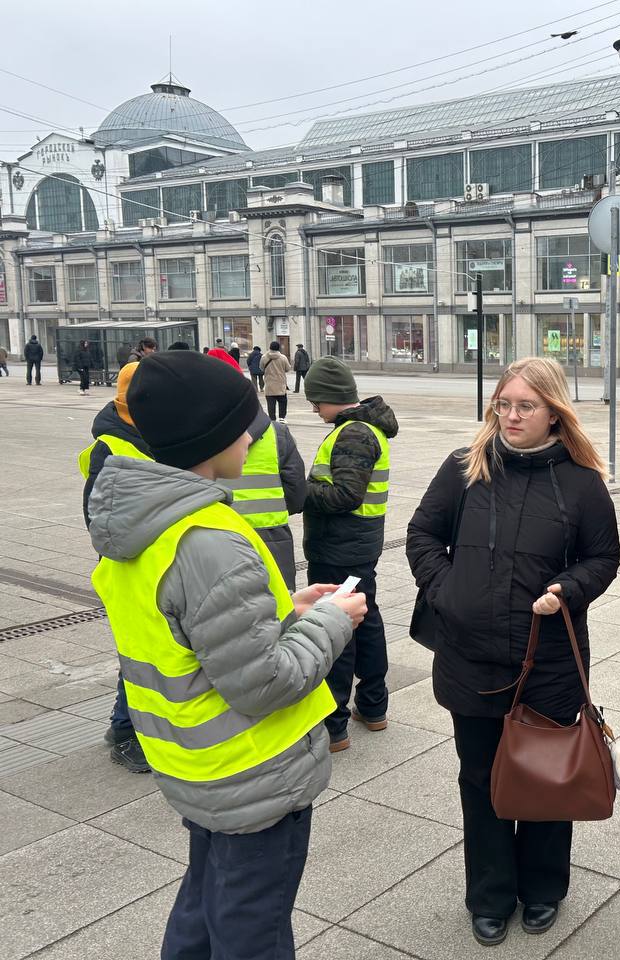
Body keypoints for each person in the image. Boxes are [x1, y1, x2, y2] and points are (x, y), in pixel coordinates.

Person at [86, 351, 367, 958]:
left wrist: (285, 605)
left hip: (194, 763)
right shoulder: (209, 540)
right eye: (242, 424)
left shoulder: (146, 525)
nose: (252, 434)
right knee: (251, 928)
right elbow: (265, 682)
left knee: (203, 904)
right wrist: (330, 622)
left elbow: (189, 629)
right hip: (252, 773)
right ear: (210, 438)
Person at [407, 357, 620, 947]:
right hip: (470, 657)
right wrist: (449, 592)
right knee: (481, 780)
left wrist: (568, 590)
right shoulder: (465, 468)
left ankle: (544, 888)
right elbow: (422, 535)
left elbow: (604, 558)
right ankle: (491, 895)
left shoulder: (581, 480)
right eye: (503, 403)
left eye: (525, 405)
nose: (511, 415)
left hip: (548, 659)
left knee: (548, 778)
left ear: (555, 412)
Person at [303, 357, 399, 753]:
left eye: (316, 401)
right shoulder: (362, 429)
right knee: (367, 620)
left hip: (340, 546)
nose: (313, 409)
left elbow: (345, 495)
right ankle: (373, 708)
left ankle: (334, 725)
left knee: (337, 628)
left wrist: (300, 491)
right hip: (358, 543)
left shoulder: (354, 434)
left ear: (331, 398)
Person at [79, 361, 153, 774]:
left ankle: (131, 725)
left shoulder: (150, 432)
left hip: (155, 559)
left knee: (152, 647)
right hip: (127, 562)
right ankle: (124, 731)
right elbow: (98, 518)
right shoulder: (113, 445)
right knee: (138, 650)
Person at [206, 349, 306, 589]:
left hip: (215, 540)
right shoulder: (277, 434)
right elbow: (297, 494)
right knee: (280, 609)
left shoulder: (196, 439)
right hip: (272, 538)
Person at [262, 341, 293, 423]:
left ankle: (272, 419)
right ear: (278, 348)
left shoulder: (264, 357)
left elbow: (261, 368)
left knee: (271, 403)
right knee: (283, 401)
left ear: (270, 347)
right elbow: (288, 369)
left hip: (269, 384)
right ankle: (282, 417)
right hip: (280, 383)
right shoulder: (283, 358)